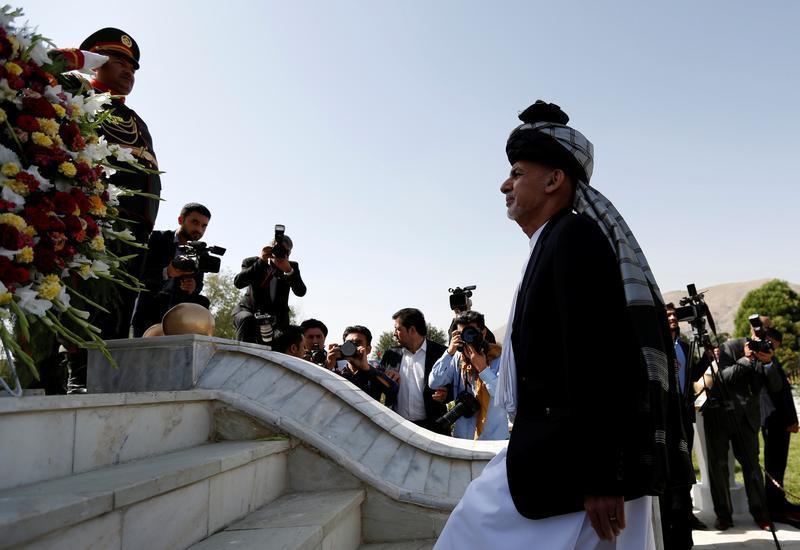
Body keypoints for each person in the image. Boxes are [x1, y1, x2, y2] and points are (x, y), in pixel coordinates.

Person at [436, 101, 691, 549]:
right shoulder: (551, 241)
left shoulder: (574, 238)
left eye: (517, 173)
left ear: (554, 180)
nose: (505, 184)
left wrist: (600, 476)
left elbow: (600, 360)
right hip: (561, 464)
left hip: (576, 473)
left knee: (466, 535)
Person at [50, 29, 162, 393]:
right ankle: (78, 375)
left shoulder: (135, 119)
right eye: (118, 60)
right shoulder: (77, 91)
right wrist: (80, 61)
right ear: (96, 60)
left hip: (134, 229)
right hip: (94, 221)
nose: (129, 70)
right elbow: (36, 72)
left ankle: (105, 378)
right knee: (87, 300)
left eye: (133, 66)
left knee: (118, 307)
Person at [702, 315, 782, 531]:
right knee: (719, 467)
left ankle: (761, 515)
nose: (761, 332)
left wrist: (768, 362)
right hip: (720, 415)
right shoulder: (731, 346)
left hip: (748, 419)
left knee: (753, 467)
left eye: (765, 329)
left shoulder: (767, 351)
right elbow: (723, 377)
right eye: (758, 328)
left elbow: (776, 386)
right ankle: (723, 516)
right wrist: (746, 359)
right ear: (751, 329)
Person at [131, 204, 212, 336]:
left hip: (179, 319)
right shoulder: (156, 239)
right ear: (181, 220)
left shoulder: (201, 252)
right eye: (195, 222)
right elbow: (138, 273)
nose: (199, 229)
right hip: (147, 312)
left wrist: (193, 287)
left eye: (204, 226)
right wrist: (167, 272)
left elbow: (199, 285)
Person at [429, 310, 509, 440]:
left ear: (483, 332)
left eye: (471, 332)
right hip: (463, 438)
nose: (467, 338)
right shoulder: (457, 358)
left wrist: (483, 369)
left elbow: (503, 396)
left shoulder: (500, 358)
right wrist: (449, 352)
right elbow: (434, 382)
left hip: (493, 439)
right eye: (462, 334)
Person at [380, 308, 449, 435]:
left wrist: (446, 395)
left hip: (433, 428)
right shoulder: (391, 354)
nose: (394, 333)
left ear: (412, 330)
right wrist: (386, 379)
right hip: (397, 427)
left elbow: (454, 385)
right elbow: (380, 385)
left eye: (398, 329)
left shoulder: (441, 353)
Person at [759, 328, 800, 528]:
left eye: (773, 344)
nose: (770, 346)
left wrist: (792, 420)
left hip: (783, 422)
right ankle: (774, 508)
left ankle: (779, 501)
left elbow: (784, 394)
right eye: (768, 342)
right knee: (774, 465)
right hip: (772, 420)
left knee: (779, 465)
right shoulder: (762, 362)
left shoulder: (772, 360)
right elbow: (771, 394)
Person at [232, 234, 306, 344]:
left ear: (289, 253)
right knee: (247, 319)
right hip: (249, 311)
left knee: (289, 335)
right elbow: (238, 283)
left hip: (277, 317)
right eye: (276, 249)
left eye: (283, 250)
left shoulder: (291, 267)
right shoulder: (252, 262)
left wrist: (289, 271)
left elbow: (300, 292)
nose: (278, 253)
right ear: (269, 248)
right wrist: (261, 262)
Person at [326, 325, 398, 405]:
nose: (352, 347)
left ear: (368, 349)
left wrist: (367, 369)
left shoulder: (375, 374)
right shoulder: (337, 374)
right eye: (348, 343)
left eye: (357, 343)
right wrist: (328, 367)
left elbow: (393, 390)